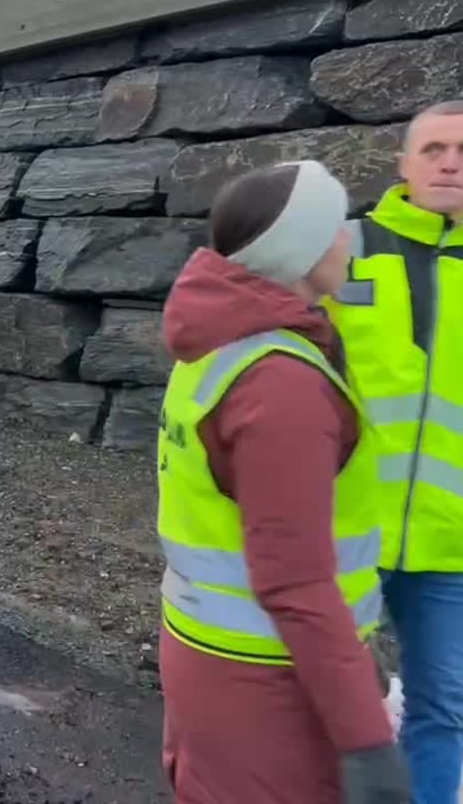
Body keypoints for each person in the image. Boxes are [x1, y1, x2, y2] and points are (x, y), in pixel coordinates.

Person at [157, 161, 407, 802]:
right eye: (335, 227)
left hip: (208, 659)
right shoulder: (280, 381)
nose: (349, 239)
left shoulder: (221, 342)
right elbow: (293, 580)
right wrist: (366, 739)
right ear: (302, 251)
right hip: (267, 684)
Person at [324, 100, 463, 804]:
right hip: (349, 528)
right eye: (434, 148)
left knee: (442, 712)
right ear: (403, 164)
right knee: (327, 699)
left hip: (453, 548)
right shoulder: (344, 246)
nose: (450, 162)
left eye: (462, 151)